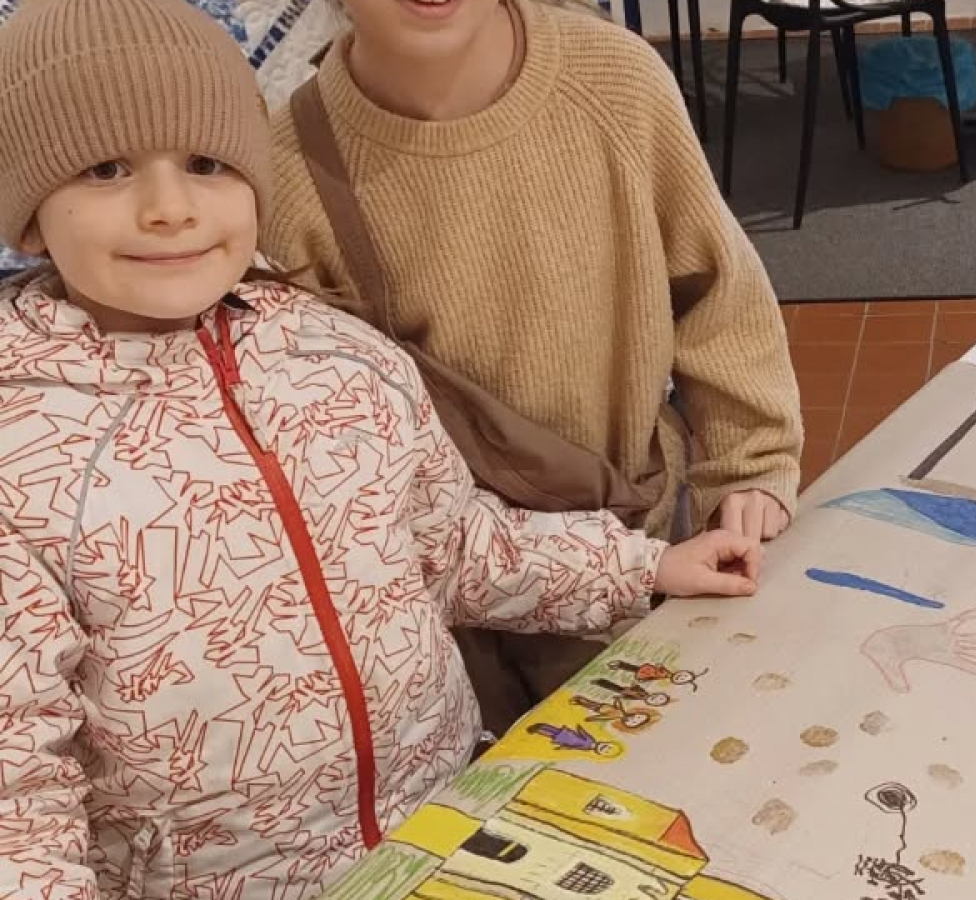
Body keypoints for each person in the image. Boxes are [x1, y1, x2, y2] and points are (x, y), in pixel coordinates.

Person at [0, 0, 764, 895]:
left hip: (445, 833)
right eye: (106, 169)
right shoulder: (21, 454)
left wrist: (643, 567)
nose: (169, 208)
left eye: (206, 163)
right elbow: (18, 786)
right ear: (29, 214)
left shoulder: (341, 357)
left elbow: (453, 546)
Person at [261, 0, 805, 731]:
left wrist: (750, 459)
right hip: (459, 618)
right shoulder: (288, 168)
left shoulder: (615, 79)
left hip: (653, 542)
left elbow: (717, 286)